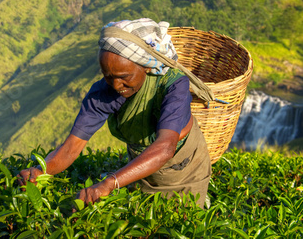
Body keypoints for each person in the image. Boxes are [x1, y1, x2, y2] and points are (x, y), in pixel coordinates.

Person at [18, 18, 212, 207]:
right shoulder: (102, 93)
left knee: (184, 218)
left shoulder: (173, 84)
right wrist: (40, 170)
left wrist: (109, 183)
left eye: (124, 77)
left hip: (184, 166)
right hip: (141, 164)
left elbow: (165, 147)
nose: (116, 85)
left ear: (145, 65)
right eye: (108, 76)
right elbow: (71, 148)